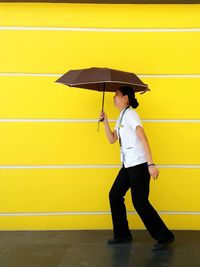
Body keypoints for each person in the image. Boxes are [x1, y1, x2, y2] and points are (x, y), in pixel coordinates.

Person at [99, 86, 175, 250]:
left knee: (140, 202)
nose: (114, 97)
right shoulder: (121, 117)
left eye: (117, 95)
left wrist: (151, 164)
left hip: (139, 165)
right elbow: (112, 139)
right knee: (115, 195)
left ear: (125, 97)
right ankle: (122, 234)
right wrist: (105, 122)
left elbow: (143, 138)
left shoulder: (131, 115)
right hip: (127, 165)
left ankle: (165, 236)